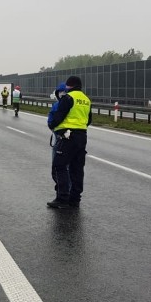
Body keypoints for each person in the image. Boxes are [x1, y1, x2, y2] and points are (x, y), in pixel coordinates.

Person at [47, 76, 92, 209]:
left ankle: (62, 198)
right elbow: (89, 120)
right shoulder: (86, 99)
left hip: (67, 136)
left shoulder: (68, 98)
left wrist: (55, 127)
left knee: (59, 165)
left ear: (69, 86)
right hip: (82, 136)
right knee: (77, 169)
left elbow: (58, 116)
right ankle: (75, 200)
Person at [47, 82, 67, 194]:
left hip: (64, 141)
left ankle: (63, 193)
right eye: (60, 92)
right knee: (60, 168)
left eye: (64, 92)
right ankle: (63, 191)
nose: (62, 94)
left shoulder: (64, 105)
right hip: (59, 139)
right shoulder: (56, 106)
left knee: (61, 167)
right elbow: (50, 120)